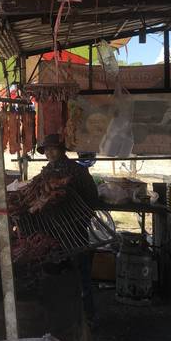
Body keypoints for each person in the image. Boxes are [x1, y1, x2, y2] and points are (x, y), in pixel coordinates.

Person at [36, 134, 99, 322]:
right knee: (55, 274)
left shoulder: (77, 171)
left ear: (62, 150)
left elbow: (92, 198)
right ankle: (61, 316)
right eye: (46, 150)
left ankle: (88, 317)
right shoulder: (44, 173)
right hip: (51, 230)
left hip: (75, 229)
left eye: (52, 149)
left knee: (81, 274)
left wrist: (81, 217)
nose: (49, 153)